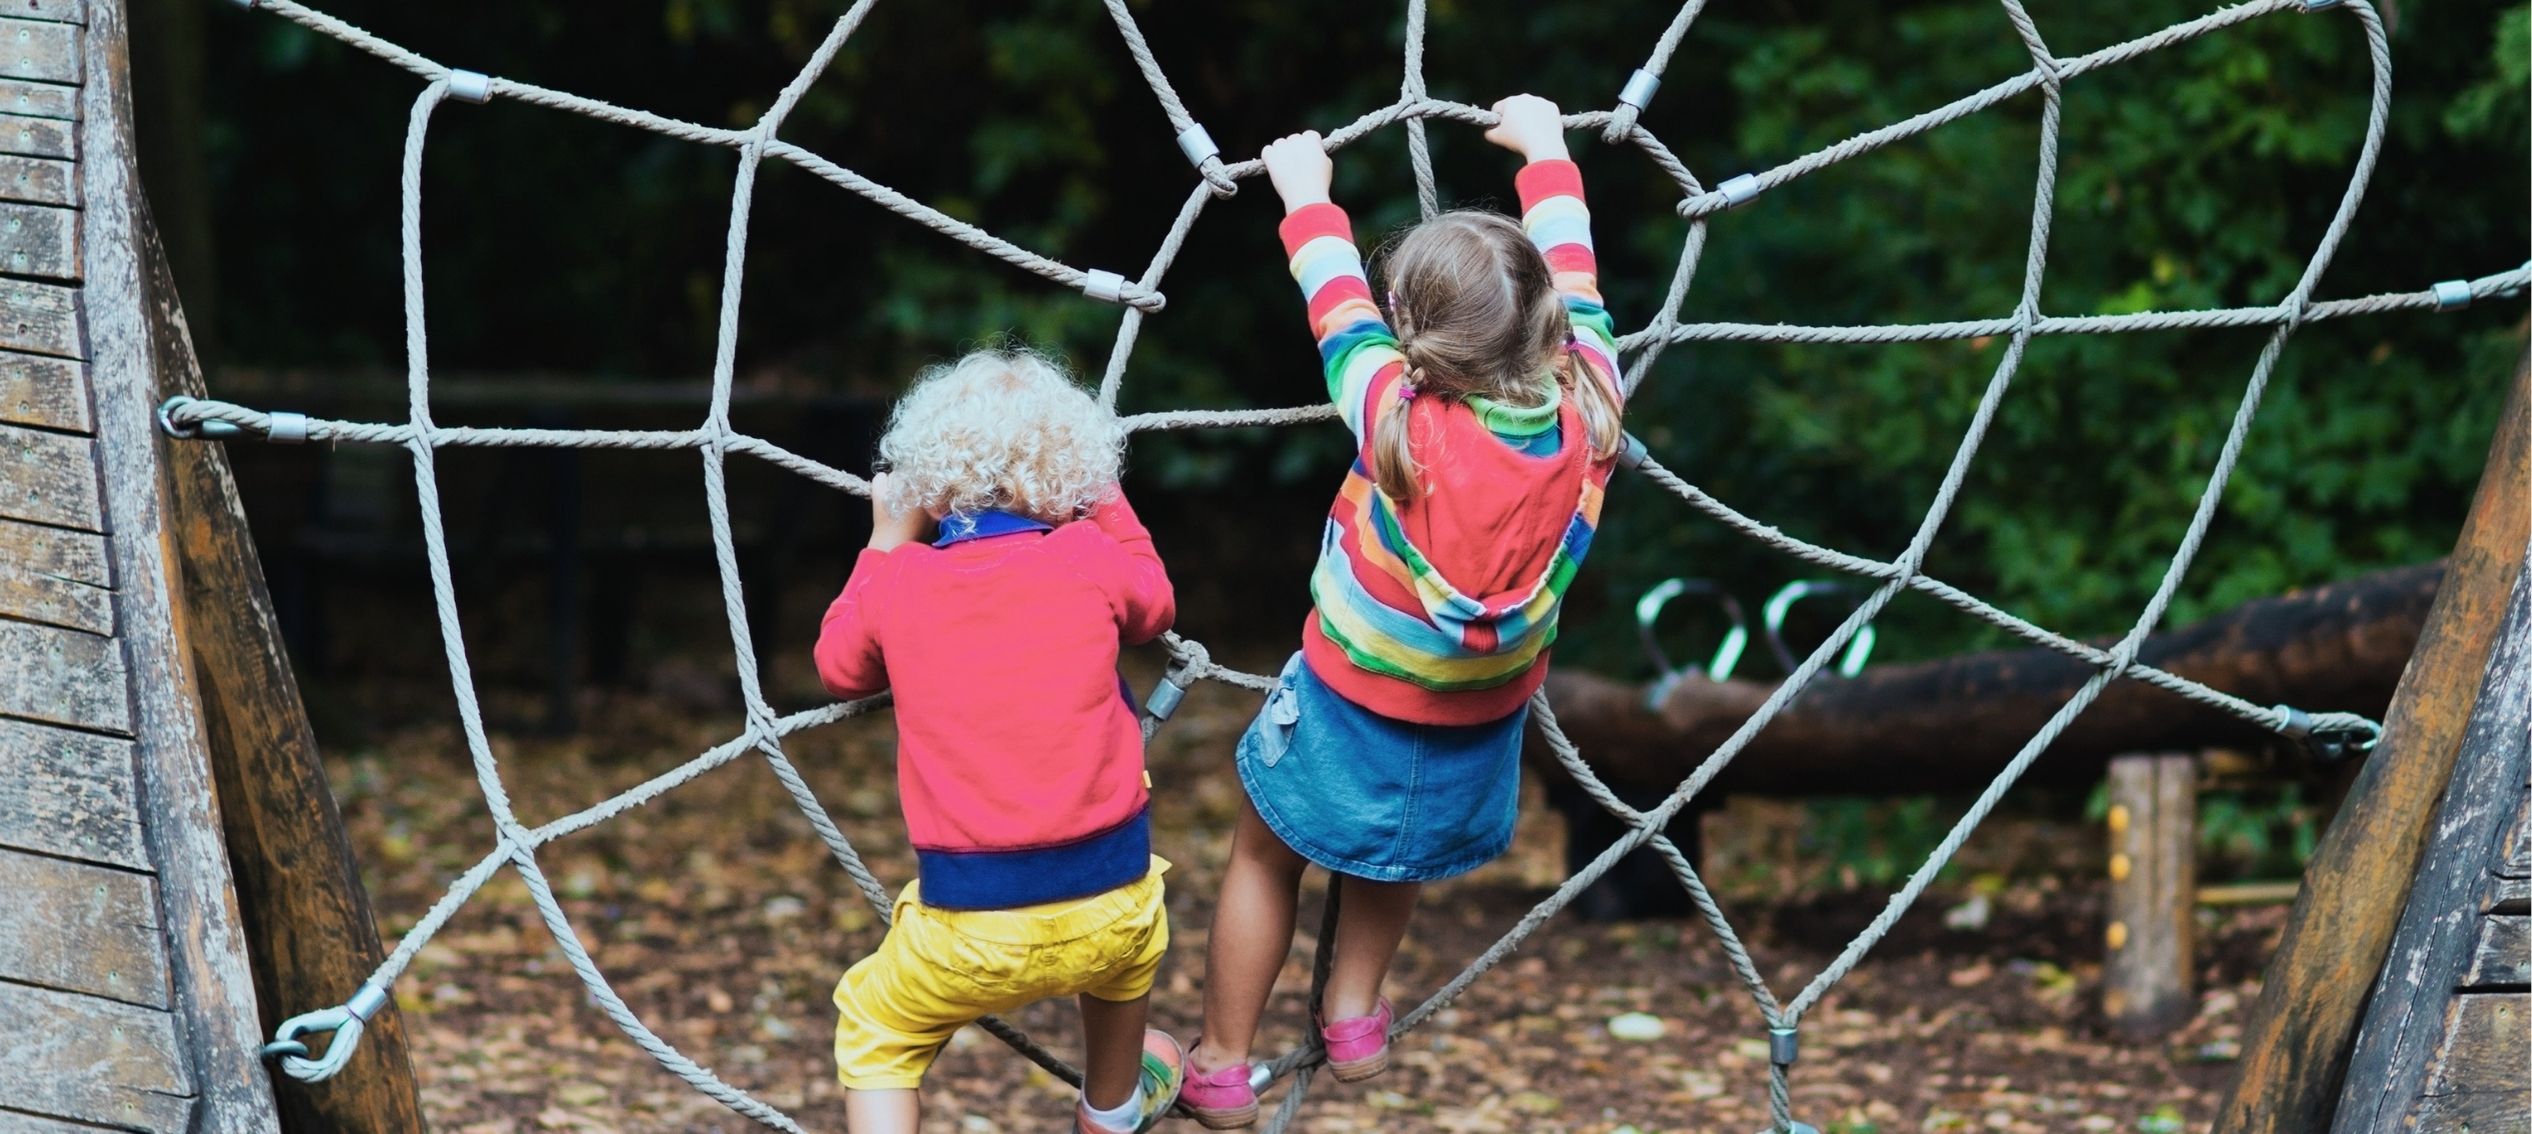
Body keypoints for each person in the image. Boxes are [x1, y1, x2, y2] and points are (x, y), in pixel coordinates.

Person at [1178, 94, 1628, 1128]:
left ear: (1416, 339)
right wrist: (1551, 153)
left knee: (1264, 853)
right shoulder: (1592, 410)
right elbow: (1582, 277)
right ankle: (1352, 1012)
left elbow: (1336, 303)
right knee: (1395, 856)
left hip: (1349, 700)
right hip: (1482, 716)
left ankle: (1222, 1063)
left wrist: (1306, 196)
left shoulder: (1396, 418)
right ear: (1551, 328)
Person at [813, 347, 1184, 1134]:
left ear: (927, 483)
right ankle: (1110, 1107)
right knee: (1126, 965)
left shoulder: (903, 580)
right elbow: (1154, 607)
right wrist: (1108, 503)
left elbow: (840, 668)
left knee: (876, 1032)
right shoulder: (1088, 554)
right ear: (1071, 475)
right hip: (1114, 907)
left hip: (969, 929)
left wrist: (886, 539)